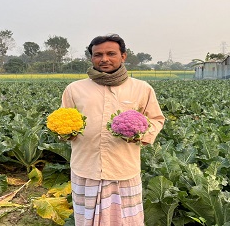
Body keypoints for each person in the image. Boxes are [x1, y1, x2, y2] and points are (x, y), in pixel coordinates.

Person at [61, 34, 165, 225]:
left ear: (123, 56)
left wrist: (141, 135)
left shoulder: (142, 89)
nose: (104, 59)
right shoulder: (74, 89)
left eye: (111, 53)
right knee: (86, 220)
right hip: (86, 168)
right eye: (98, 54)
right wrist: (64, 131)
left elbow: (157, 119)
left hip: (123, 168)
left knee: (126, 220)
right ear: (91, 58)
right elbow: (64, 118)